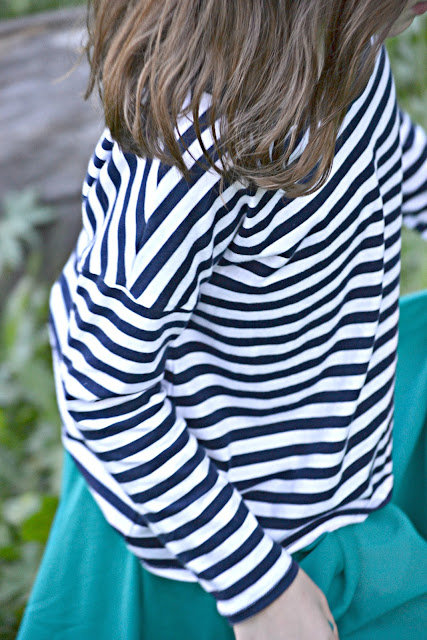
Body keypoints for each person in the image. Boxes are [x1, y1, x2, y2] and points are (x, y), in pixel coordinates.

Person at [18, 1, 427, 639]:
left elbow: (391, 148)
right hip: (212, 538)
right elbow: (105, 388)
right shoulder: (195, 153)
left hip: (328, 457)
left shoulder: (346, 44)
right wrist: (259, 588)